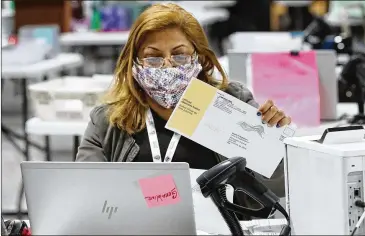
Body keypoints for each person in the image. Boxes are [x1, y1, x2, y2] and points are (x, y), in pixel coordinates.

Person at [76, 3, 291, 218]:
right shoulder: (108, 121)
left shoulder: (232, 103)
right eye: (153, 57)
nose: (167, 66)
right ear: (134, 62)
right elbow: (85, 194)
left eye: (179, 56)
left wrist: (273, 143)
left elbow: (278, 188)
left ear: (199, 57)